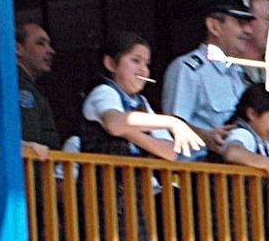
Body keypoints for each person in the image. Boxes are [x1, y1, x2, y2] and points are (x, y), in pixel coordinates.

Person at [82, 31, 203, 163]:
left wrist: (128, 132)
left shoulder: (142, 102)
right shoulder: (103, 92)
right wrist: (171, 122)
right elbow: (114, 123)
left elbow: (171, 152)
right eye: (135, 60)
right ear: (110, 64)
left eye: (146, 64)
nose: (143, 70)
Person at [159, 0, 258, 139]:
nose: (248, 31)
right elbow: (173, 126)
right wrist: (206, 136)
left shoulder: (238, 72)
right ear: (214, 26)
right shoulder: (188, 69)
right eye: (240, 22)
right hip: (200, 161)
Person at [16, 20, 60, 156]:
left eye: (49, 45)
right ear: (18, 48)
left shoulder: (29, 85)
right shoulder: (18, 86)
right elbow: (31, 135)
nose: (51, 51)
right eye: (40, 43)